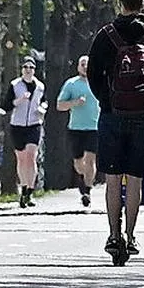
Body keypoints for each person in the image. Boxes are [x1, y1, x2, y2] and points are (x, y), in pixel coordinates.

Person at [87, 0, 144, 261]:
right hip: (143, 116)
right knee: (135, 177)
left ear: (119, 2)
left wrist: (107, 100)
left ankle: (114, 235)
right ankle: (131, 235)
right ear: (143, 3)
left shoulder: (106, 35)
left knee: (112, 178)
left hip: (112, 114)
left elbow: (94, 74)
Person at [55, 55, 100, 207]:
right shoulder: (71, 84)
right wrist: (75, 103)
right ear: (78, 67)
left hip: (94, 127)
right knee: (79, 162)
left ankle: (87, 191)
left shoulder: (99, 83)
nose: (85, 67)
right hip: (76, 128)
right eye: (82, 64)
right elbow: (60, 105)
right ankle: (82, 179)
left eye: (88, 64)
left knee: (90, 159)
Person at [3, 56, 47, 208]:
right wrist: (20, 100)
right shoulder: (15, 85)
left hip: (34, 124)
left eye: (31, 67)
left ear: (35, 70)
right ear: (22, 70)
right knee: (21, 159)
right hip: (18, 125)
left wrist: (42, 108)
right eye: (25, 67)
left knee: (31, 155)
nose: (28, 70)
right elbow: (6, 105)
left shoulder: (40, 86)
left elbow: (44, 101)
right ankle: (23, 187)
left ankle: (30, 190)